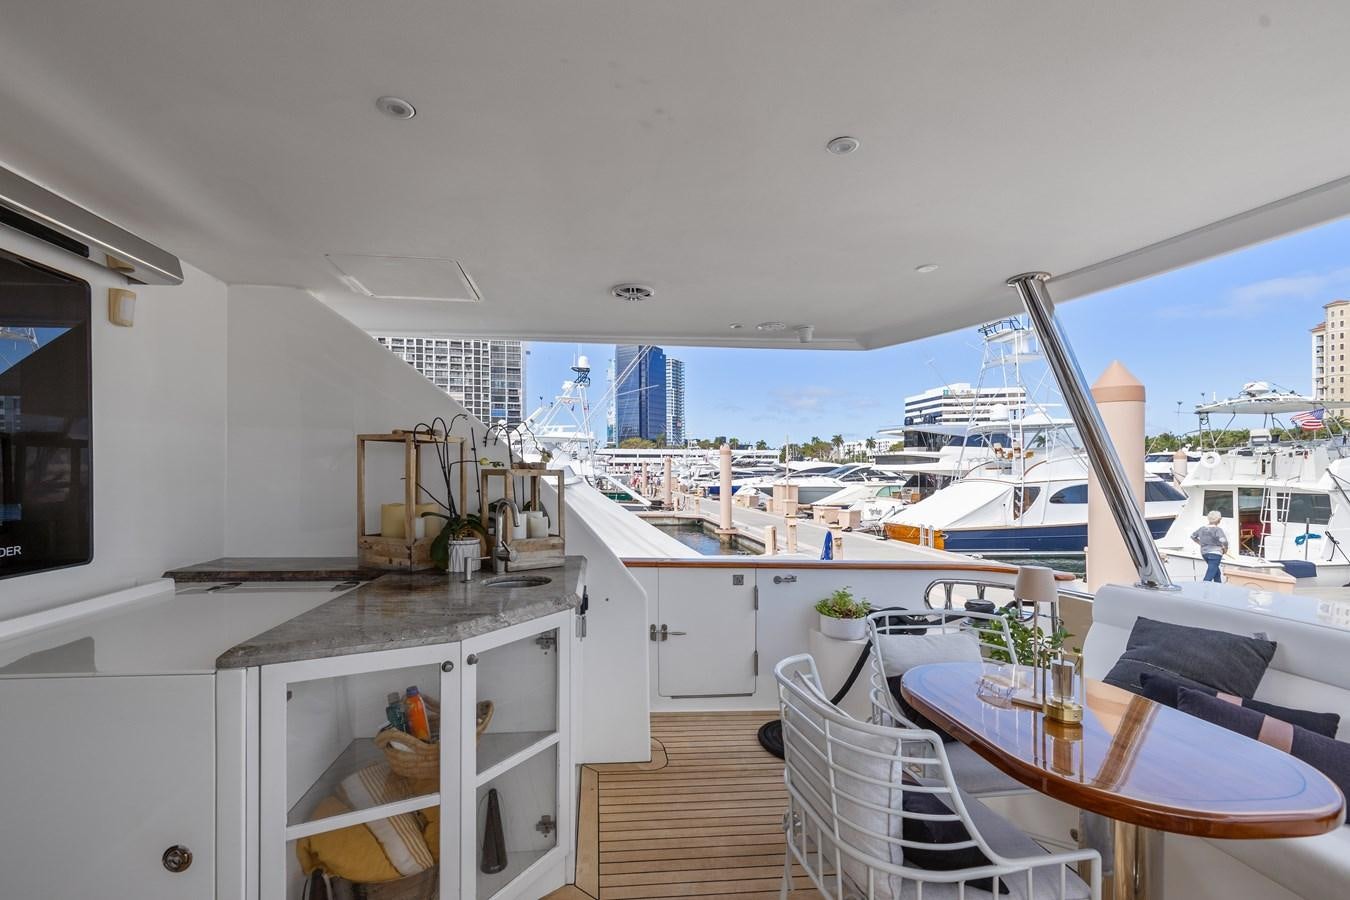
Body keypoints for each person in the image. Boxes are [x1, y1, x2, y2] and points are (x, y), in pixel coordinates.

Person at [1191, 510, 1229, 582]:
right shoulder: (1217, 530)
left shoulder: (1202, 528)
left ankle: (1218, 589)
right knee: (1210, 575)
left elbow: (1193, 536)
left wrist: (1200, 543)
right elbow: (1223, 541)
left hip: (1204, 553)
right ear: (1218, 520)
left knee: (1216, 572)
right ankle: (1204, 590)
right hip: (1215, 554)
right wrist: (1225, 548)